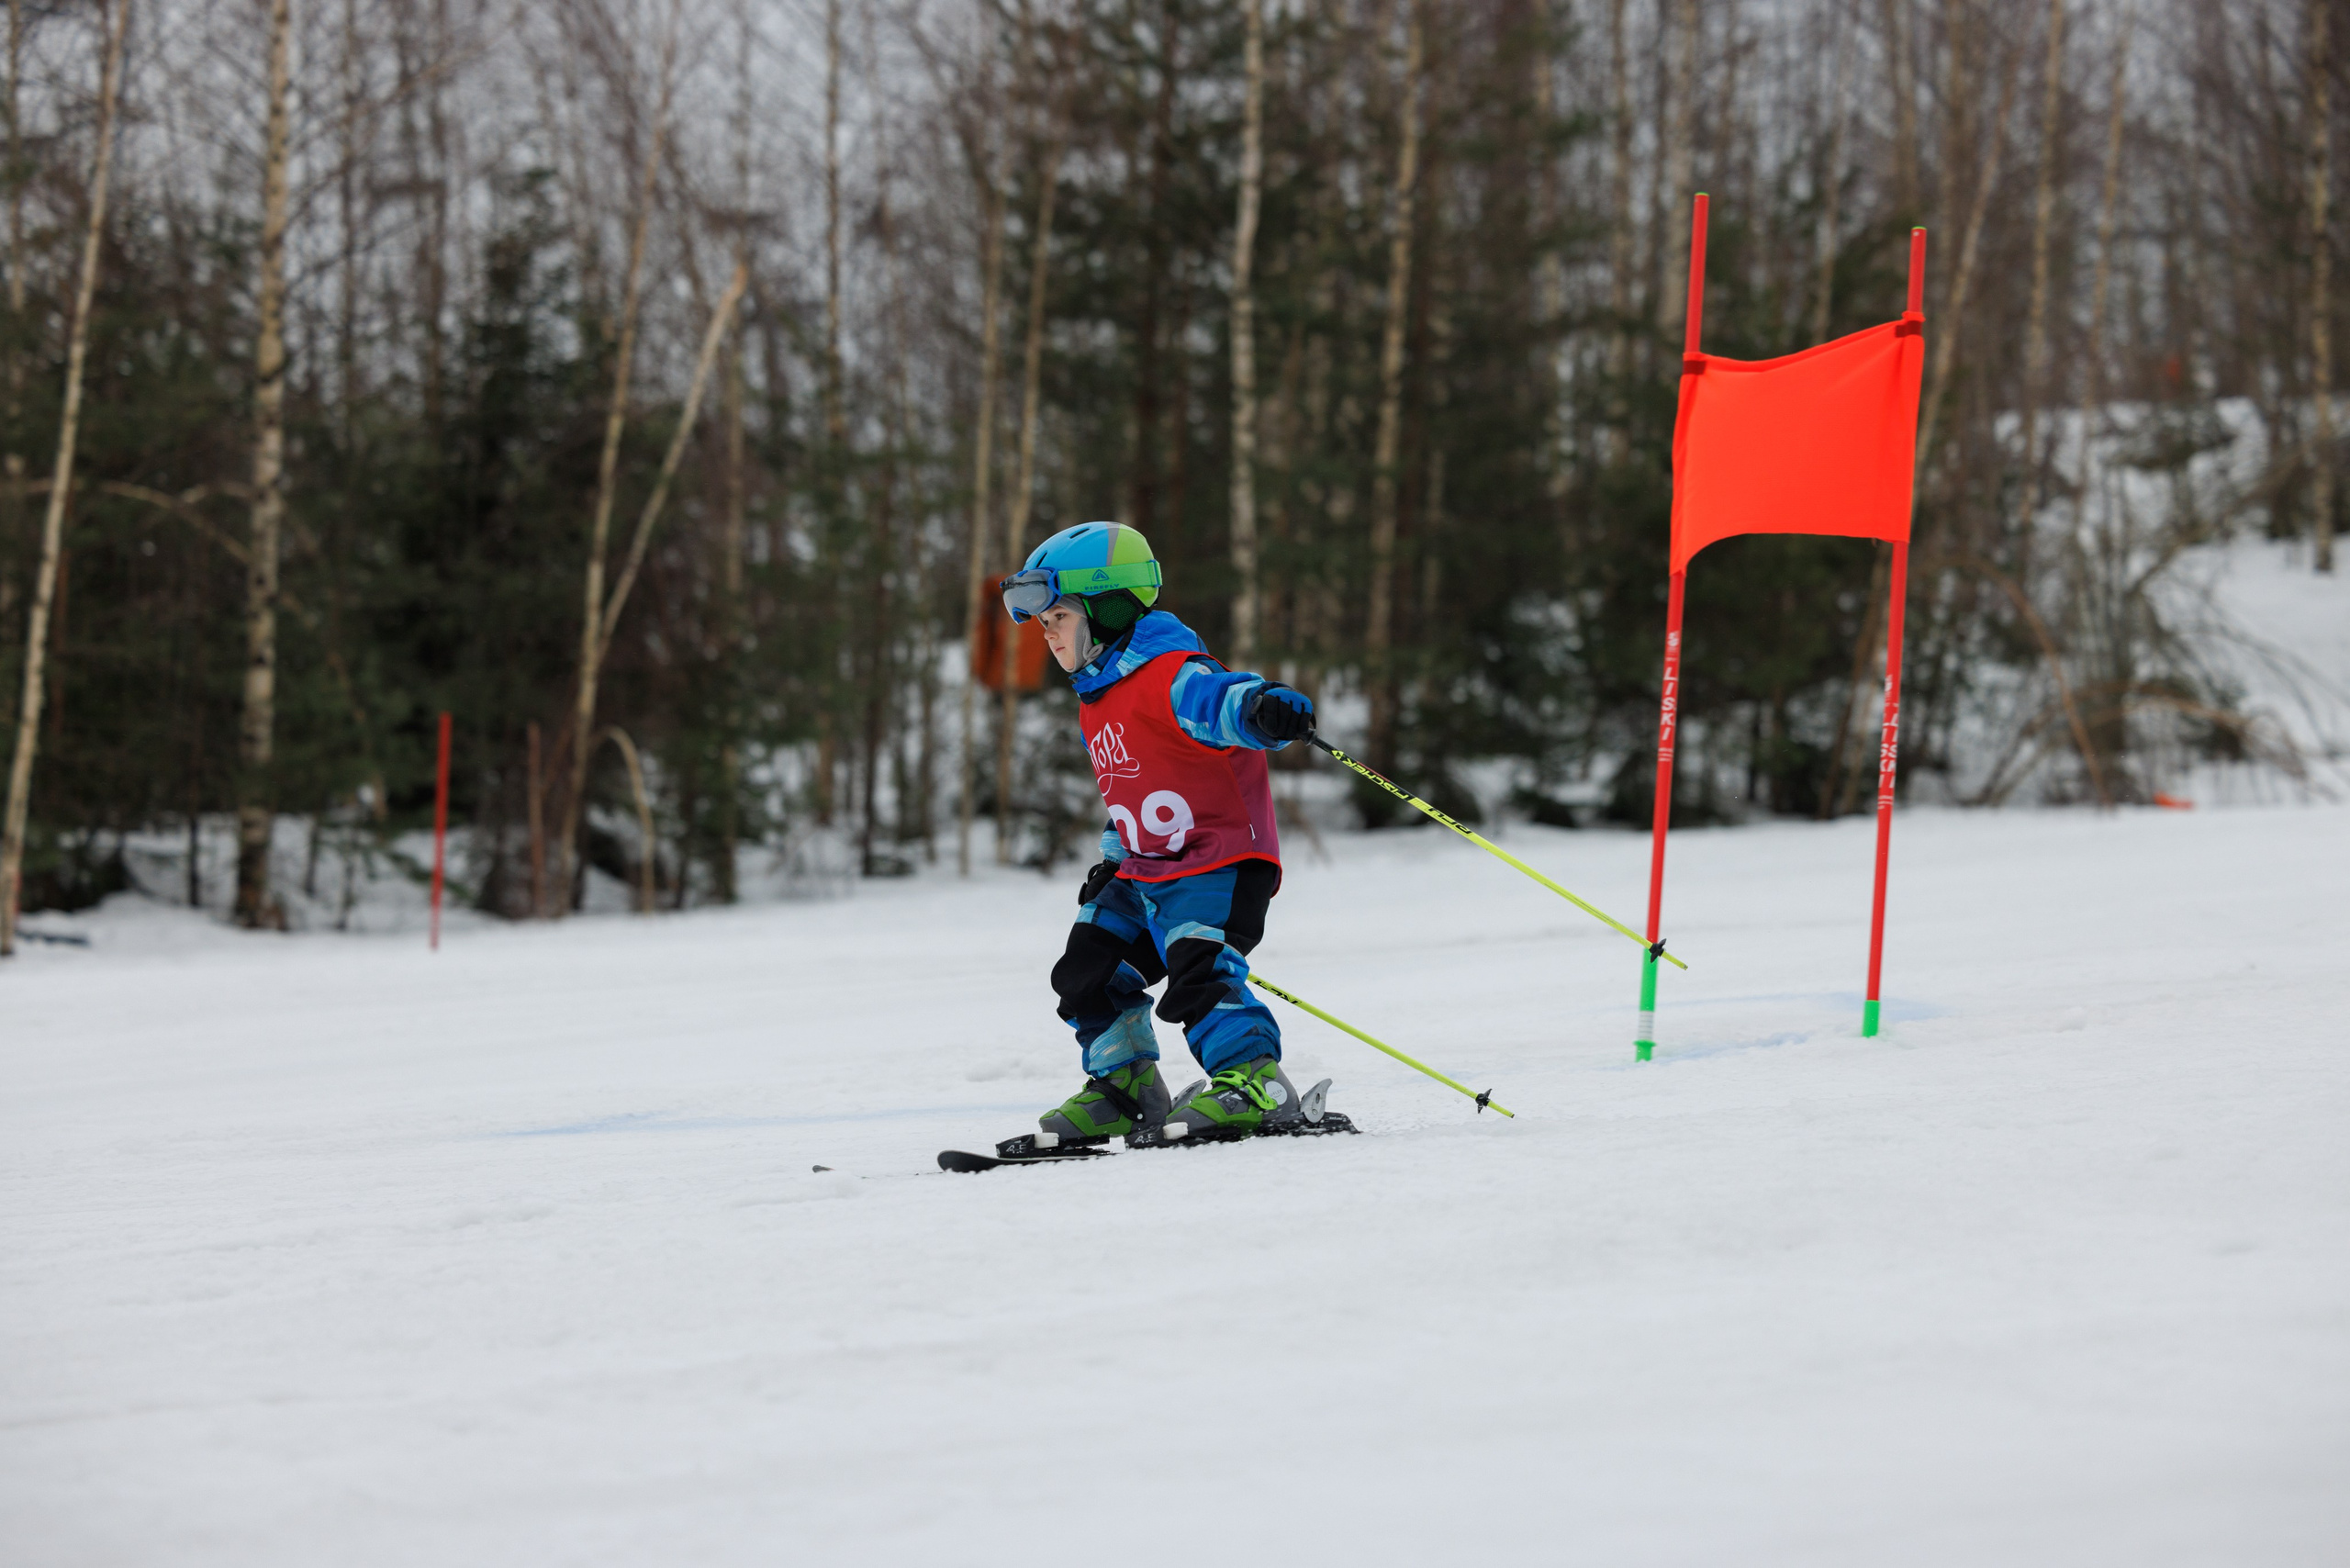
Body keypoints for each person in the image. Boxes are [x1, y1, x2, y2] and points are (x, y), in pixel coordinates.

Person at [997, 521, 1318, 1145]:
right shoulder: (1098, 697)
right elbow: (1134, 791)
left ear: (1108, 609)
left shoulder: (1171, 674)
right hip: (1144, 867)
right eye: (1042, 623)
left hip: (1216, 862)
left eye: (1058, 617)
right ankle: (1127, 1088)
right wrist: (1112, 859)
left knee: (1200, 970)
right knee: (1089, 970)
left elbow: (1224, 701)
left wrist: (1263, 708)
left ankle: (1257, 1082)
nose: (1048, 633)